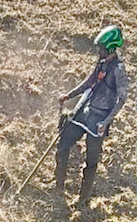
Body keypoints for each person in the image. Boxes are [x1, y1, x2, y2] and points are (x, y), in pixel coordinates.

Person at [54, 25, 129, 207]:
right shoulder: (101, 64)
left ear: (111, 48)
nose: (98, 51)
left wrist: (105, 121)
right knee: (63, 145)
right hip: (85, 112)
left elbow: (121, 99)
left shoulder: (119, 70)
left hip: (99, 120)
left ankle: (83, 199)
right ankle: (58, 187)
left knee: (91, 161)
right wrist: (69, 95)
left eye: (102, 48)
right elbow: (89, 82)